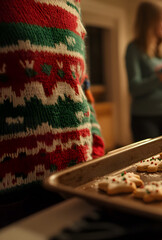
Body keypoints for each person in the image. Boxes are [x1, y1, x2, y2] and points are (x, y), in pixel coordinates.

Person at [0, 0, 105, 226]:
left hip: (77, 180)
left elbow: (81, 81)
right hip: (11, 199)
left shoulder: (73, 3)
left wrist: (95, 148)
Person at [125, 0, 162, 142]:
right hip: (145, 117)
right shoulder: (134, 48)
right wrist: (161, 78)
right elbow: (134, 88)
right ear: (150, 21)